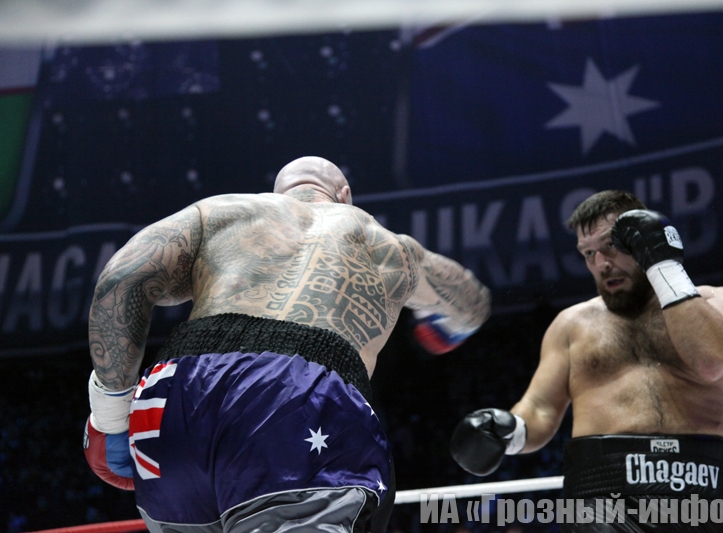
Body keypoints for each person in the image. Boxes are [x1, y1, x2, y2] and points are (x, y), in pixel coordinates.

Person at [83, 156, 491, 533]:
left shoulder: (220, 212)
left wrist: (111, 415)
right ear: (345, 195)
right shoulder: (391, 247)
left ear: (278, 194)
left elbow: (120, 281)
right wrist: (443, 330)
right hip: (297, 392)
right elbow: (471, 303)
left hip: (174, 394)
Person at [450, 190, 723, 532]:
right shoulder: (572, 325)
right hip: (602, 497)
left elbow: (712, 362)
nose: (601, 264)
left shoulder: (721, 303)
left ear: (641, 239)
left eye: (611, 246)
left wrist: (663, 263)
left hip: (707, 487)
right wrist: (508, 432)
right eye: (588, 254)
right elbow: (539, 409)